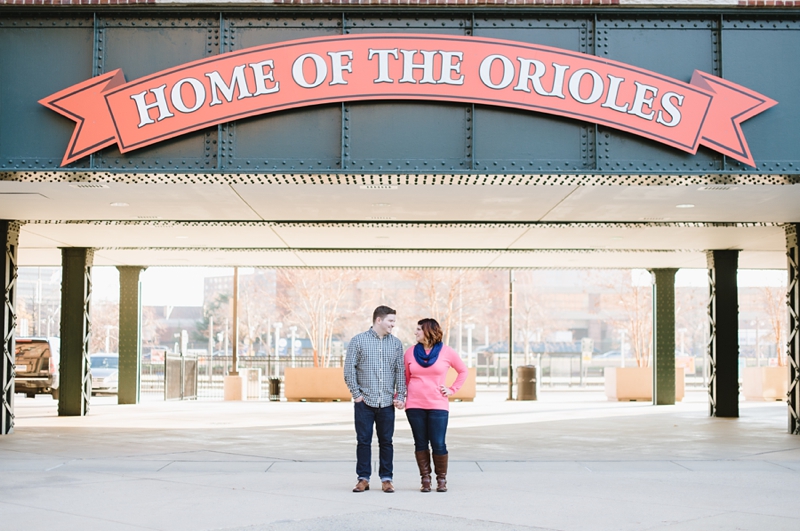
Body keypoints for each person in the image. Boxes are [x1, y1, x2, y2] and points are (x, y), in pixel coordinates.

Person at [344, 305, 406, 493]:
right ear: (379, 320)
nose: (393, 325)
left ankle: (387, 479)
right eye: (390, 321)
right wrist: (357, 395)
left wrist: (400, 395)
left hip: (387, 402)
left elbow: (400, 372)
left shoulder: (396, 344)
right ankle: (363, 478)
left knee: (386, 442)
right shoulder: (358, 341)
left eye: (394, 321)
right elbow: (349, 370)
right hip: (365, 402)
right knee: (363, 441)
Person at [404, 318, 467, 493]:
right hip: (414, 404)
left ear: (428, 331)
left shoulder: (447, 352)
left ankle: (441, 479)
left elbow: (463, 370)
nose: (415, 332)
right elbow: (405, 378)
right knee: (420, 442)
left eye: (418, 329)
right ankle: (425, 479)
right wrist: (400, 396)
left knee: (438, 443)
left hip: (438, 404)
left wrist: (452, 389)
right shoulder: (409, 353)